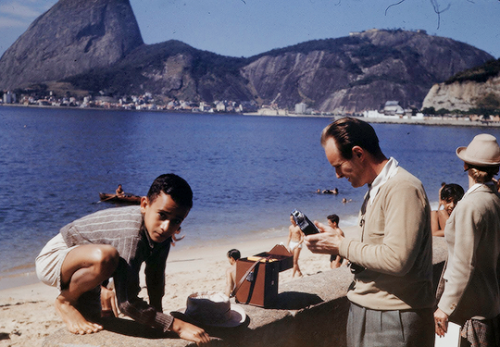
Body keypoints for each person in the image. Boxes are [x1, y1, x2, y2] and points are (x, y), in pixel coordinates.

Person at [35, 174, 210, 346]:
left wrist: (160, 320)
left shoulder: (161, 234)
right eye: (162, 215)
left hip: (89, 270)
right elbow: (126, 303)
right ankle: (65, 301)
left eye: (176, 221)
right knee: (108, 257)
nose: (166, 227)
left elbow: (155, 277)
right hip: (58, 257)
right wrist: (177, 326)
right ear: (144, 205)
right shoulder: (131, 236)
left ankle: (77, 298)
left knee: (94, 324)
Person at [305, 117, 435, 347]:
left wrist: (340, 246)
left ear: (358, 153)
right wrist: (338, 239)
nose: (337, 175)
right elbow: (380, 249)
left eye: (338, 166)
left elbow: (397, 260)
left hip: (394, 318)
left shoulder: (403, 188)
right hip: (374, 312)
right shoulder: (376, 187)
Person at [434, 134, 500, 347]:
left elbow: (463, 262)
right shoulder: (495, 200)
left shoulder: (469, 205)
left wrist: (445, 307)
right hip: (490, 306)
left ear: (465, 165)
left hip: (469, 314)